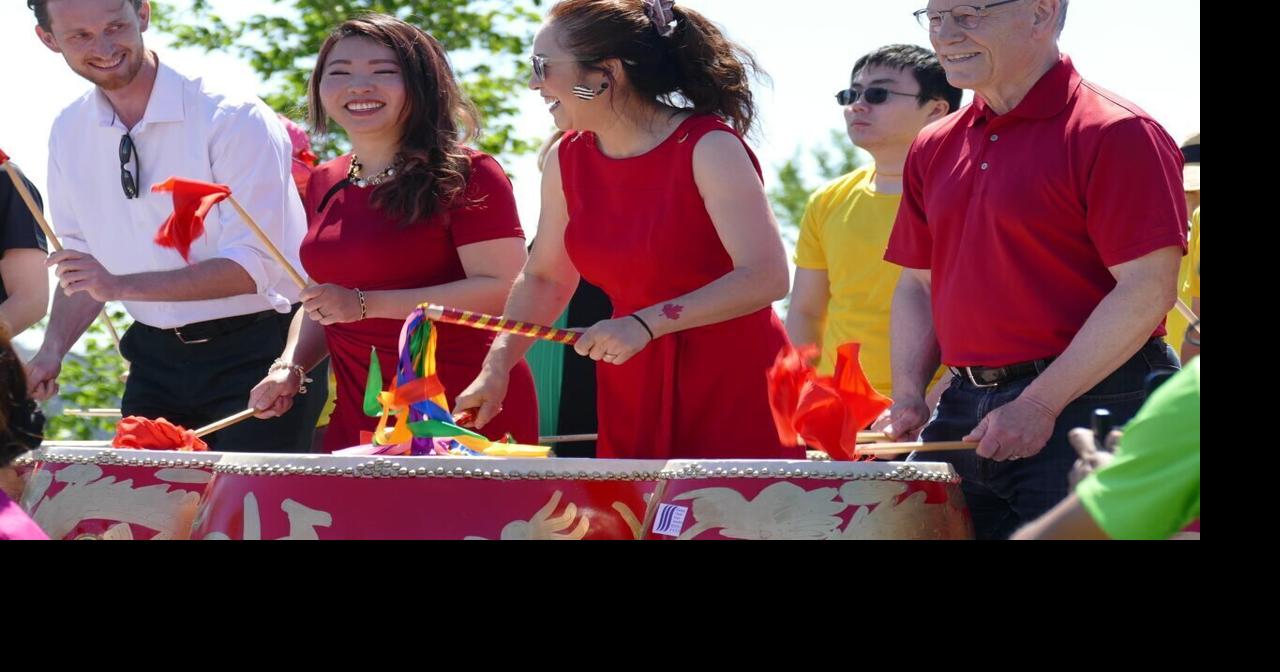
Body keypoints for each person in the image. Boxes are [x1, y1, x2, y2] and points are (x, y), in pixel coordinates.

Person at [883, 0, 1186, 538]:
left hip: (1096, 400)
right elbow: (916, 282)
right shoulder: (932, 143)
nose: (945, 35)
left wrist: (1040, 402)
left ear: (1042, 13)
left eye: (968, 14)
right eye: (934, 17)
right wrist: (907, 393)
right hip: (963, 406)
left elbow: (1147, 289)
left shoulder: (1119, 132)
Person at [455, 0, 799, 460]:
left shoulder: (708, 145)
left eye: (542, 65)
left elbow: (766, 276)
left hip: (736, 380)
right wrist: (497, 366)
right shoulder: (566, 157)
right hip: (629, 375)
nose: (534, 82)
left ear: (604, 74)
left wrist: (645, 323)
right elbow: (545, 278)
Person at [26, 0, 320, 452]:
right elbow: (83, 269)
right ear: (48, 39)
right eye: (80, 36)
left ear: (143, 14)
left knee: (249, 519)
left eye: (115, 26)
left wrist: (118, 284)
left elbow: (252, 267)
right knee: (142, 518)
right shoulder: (68, 128)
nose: (104, 47)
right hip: (153, 359)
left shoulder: (233, 114)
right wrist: (51, 351)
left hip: (264, 355)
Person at [249, 14, 538, 451]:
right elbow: (322, 299)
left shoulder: (470, 173)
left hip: (459, 408)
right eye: (339, 73)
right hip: (360, 407)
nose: (359, 86)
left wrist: (366, 305)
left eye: (384, 72)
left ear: (422, 84)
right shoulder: (324, 180)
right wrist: (290, 366)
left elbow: (505, 289)